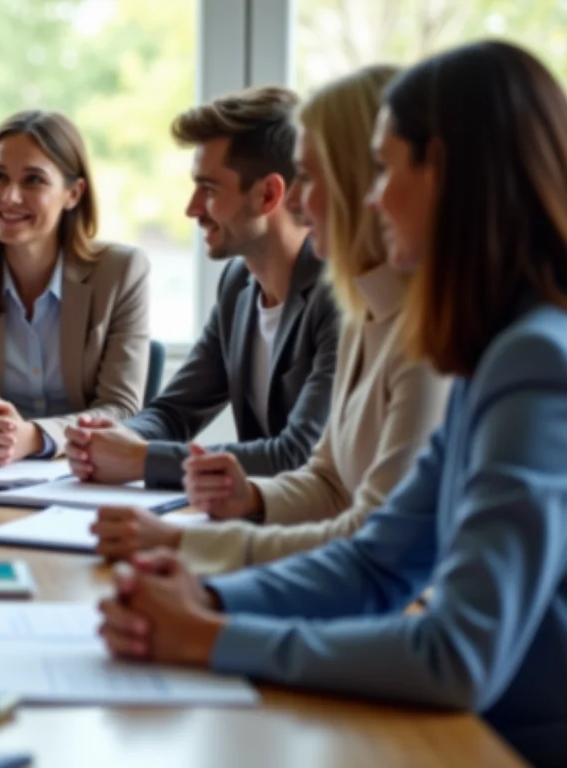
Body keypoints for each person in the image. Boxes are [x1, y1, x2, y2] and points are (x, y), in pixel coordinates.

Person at [97, 41, 567, 768]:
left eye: (385, 168)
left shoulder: (534, 358)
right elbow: (378, 561)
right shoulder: (488, 348)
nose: (372, 198)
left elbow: (457, 653)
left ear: (444, 172)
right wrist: (210, 601)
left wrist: (214, 638)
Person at [93, 66, 450, 574]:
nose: (299, 202)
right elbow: (328, 481)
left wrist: (180, 545)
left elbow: (373, 546)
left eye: (310, 179)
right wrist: (250, 498)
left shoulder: (405, 326)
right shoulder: (354, 302)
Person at [66, 87, 339, 489]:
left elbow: (297, 454)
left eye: (208, 190)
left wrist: (141, 459)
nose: (192, 208)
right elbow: (175, 412)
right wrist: (116, 438)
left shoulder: (338, 295)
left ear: (268, 194)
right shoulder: (238, 284)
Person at [0, 110, 150, 466]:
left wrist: (35, 438)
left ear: (73, 193)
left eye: (33, 180)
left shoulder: (121, 271)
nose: (9, 196)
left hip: (84, 476)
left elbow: (121, 408)